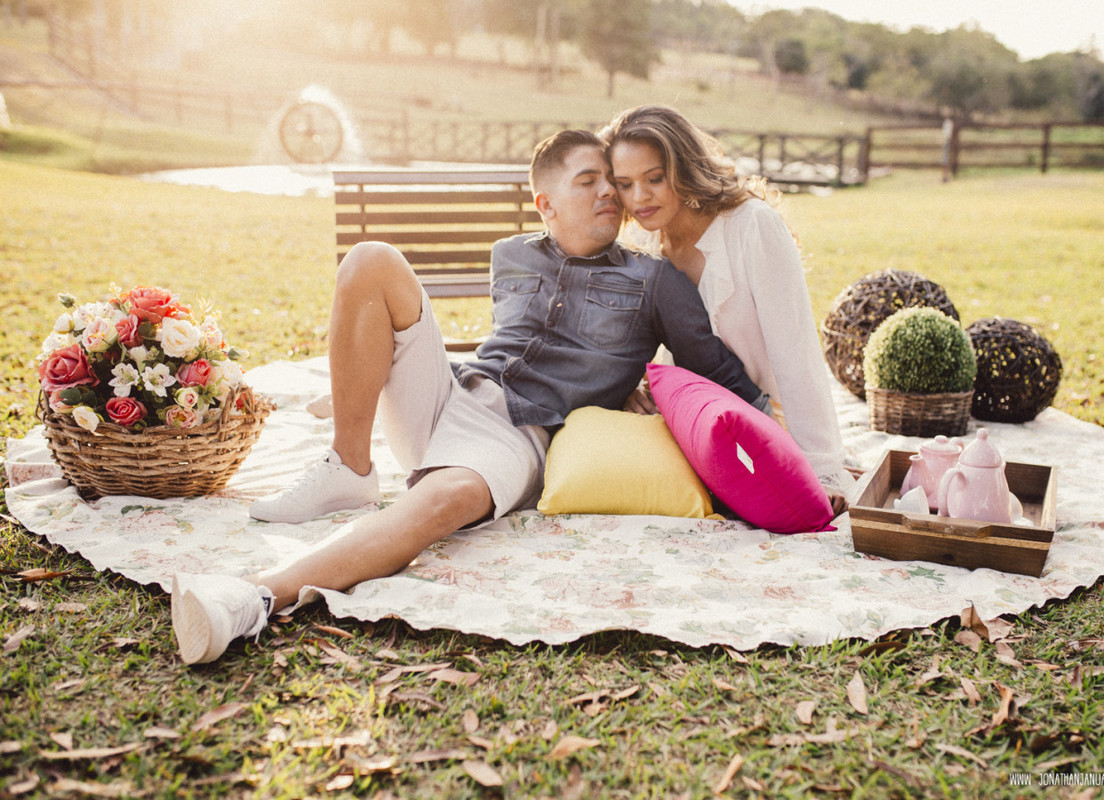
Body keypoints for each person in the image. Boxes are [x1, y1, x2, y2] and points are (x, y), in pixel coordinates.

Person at [170, 129, 771, 664]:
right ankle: (349, 465)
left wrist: (770, 430)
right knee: (370, 259)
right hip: (454, 390)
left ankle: (252, 596)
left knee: (445, 499)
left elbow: (713, 369)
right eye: (588, 183)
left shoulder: (654, 281)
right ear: (546, 204)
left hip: (519, 435)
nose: (610, 195)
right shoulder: (511, 254)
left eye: (611, 184)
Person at [599, 105, 855, 502]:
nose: (639, 197)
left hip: (768, 419)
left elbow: (797, 354)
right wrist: (633, 387)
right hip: (691, 419)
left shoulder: (752, 226)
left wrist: (821, 470)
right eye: (625, 184)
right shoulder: (644, 245)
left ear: (683, 168)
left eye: (654, 178)